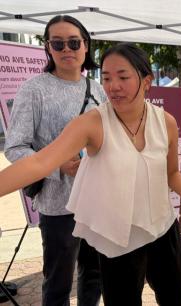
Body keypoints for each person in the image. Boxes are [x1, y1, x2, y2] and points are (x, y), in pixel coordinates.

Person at [0, 43, 181, 306]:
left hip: (162, 228)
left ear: (146, 81)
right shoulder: (93, 123)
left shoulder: (165, 122)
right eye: (106, 78)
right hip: (118, 236)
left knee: (177, 297)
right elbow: (39, 162)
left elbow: (171, 174)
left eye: (123, 77)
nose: (113, 86)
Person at [4, 15, 105, 306]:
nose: (67, 49)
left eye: (74, 42)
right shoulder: (33, 89)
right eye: (58, 43)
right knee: (58, 283)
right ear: (48, 48)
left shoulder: (97, 89)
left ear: (86, 46)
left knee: (95, 274)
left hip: (96, 200)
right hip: (58, 204)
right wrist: (56, 165)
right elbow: (15, 147)